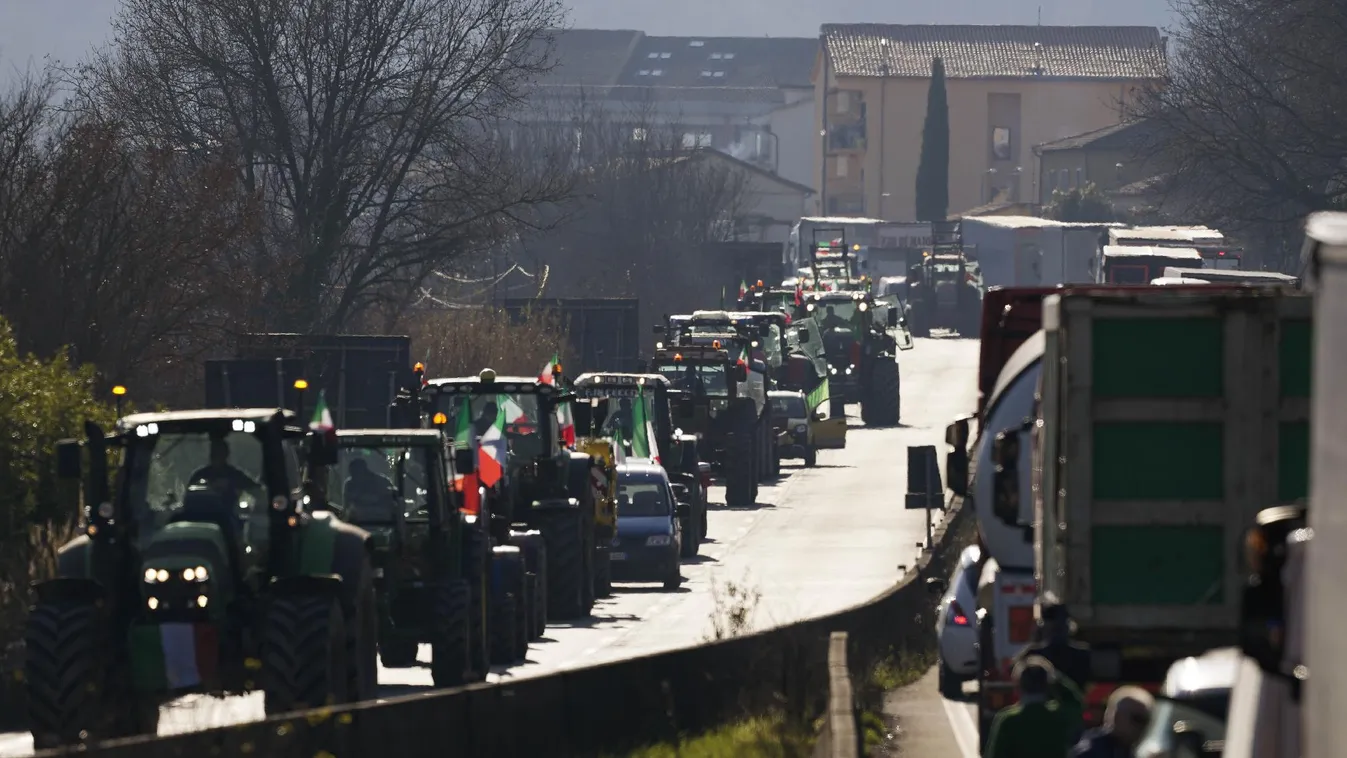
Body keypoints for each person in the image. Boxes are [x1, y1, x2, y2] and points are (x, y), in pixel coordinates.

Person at [984, 656, 1078, 758]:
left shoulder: (1008, 721)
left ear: (1018, 687)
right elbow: (1075, 701)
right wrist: (1056, 679)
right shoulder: (1060, 716)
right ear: (1047, 685)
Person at [1070, 687, 1154, 758]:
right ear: (1116, 717)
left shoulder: (1129, 751)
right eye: (1137, 719)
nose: (1142, 726)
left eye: (1146, 720)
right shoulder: (1090, 752)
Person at [188, 437, 260, 501]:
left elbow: (258, 492)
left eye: (220, 453)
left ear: (226, 454)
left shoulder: (235, 475)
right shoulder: (200, 475)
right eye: (215, 452)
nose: (217, 456)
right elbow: (188, 496)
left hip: (229, 513)